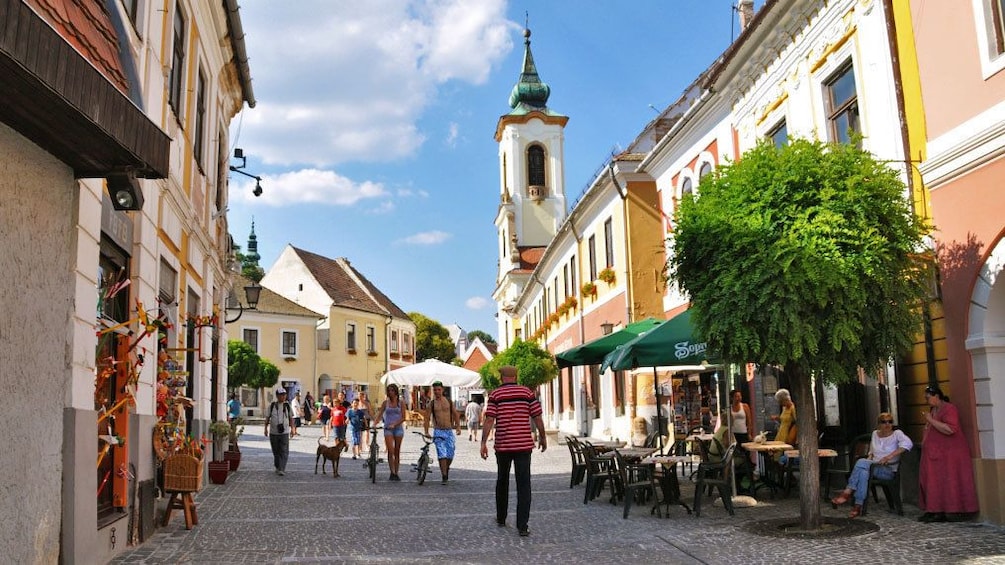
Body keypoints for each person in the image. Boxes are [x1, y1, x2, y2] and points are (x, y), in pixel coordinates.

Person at [480, 366, 546, 537]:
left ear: (502, 377)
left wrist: (483, 442)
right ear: (516, 376)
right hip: (523, 445)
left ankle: (501, 517)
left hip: (503, 446)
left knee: (502, 481)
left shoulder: (495, 395)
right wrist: (543, 437)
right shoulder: (527, 393)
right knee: (524, 484)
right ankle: (522, 525)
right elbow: (537, 416)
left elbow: (489, 420)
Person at [830, 412, 913, 518]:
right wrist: (868, 463)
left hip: (888, 470)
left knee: (861, 462)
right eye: (884, 422)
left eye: (890, 422)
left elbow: (908, 444)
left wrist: (889, 457)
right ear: (879, 424)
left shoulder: (897, 434)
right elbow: (871, 453)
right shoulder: (875, 434)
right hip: (873, 466)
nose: (887, 424)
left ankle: (847, 491)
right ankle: (858, 506)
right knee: (863, 473)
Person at [918, 385, 979, 522]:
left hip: (948, 454)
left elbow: (950, 429)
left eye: (928, 398)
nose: (926, 400)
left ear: (936, 396)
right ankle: (933, 509)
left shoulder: (949, 409)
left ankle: (942, 511)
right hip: (935, 454)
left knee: (944, 482)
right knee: (931, 481)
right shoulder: (933, 410)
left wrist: (931, 420)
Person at [424, 380, 461, 485]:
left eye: (438, 389)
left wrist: (458, 427)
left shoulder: (448, 401)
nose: (437, 392)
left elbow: (455, 414)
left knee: (450, 454)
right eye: (435, 390)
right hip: (438, 431)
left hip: (449, 431)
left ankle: (446, 469)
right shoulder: (431, 404)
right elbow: (426, 418)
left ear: (442, 390)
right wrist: (426, 431)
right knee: (442, 454)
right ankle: (444, 476)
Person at [373, 383, 407, 481]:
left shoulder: (401, 403)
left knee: (397, 451)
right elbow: (380, 415)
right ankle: (391, 471)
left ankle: (396, 472)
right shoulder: (385, 403)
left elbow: (403, 417)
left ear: (396, 391)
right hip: (388, 428)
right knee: (390, 450)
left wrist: (395, 424)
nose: (390, 392)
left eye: (392, 390)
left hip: (398, 428)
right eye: (389, 390)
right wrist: (375, 423)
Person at [264, 387, 293, 475]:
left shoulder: (287, 406)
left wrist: (293, 430)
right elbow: (267, 417)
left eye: (284, 395)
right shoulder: (272, 406)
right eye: (281, 395)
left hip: (284, 432)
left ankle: (282, 468)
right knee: (276, 451)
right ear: (277, 396)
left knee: (284, 450)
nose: (283, 397)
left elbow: (291, 418)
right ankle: (278, 466)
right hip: (273, 432)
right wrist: (265, 428)